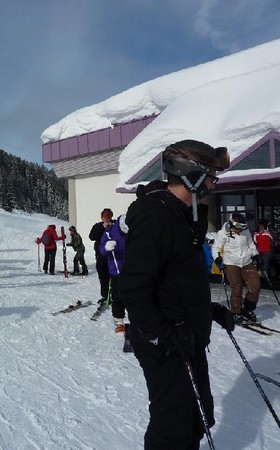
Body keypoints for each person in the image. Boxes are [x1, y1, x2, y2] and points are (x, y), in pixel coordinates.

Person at [118, 139, 234, 449]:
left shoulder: (182, 216)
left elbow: (176, 281)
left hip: (186, 336)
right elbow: (133, 287)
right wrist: (162, 336)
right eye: (210, 177)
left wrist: (208, 310)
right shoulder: (156, 218)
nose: (212, 184)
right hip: (166, 343)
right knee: (172, 426)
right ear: (191, 175)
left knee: (197, 417)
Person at [212, 213, 262, 322]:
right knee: (237, 288)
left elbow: (250, 245)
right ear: (232, 224)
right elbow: (216, 247)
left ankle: (247, 309)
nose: (241, 229)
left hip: (247, 261)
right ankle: (236, 312)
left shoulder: (245, 231)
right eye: (239, 227)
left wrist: (256, 254)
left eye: (243, 227)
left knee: (255, 286)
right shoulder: (223, 233)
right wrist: (217, 258)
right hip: (231, 263)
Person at [99, 214, 128, 334]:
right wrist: (106, 248)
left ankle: (138, 324)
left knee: (135, 297)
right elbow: (101, 249)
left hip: (133, 271)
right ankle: (119, 323)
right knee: (117, 297)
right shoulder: (109, 233)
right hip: (116, 270)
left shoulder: (135, 231)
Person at [89, 209, 115, 301]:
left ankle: (114, 295)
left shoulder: (115, 225)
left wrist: (111, 227)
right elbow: (92, 237)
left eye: (108, 217)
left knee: (113, 276)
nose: (106, 219)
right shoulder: (98, 226)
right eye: (104, 217)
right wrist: (102, 228)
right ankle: (105, 295)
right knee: (103, 276)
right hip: (101, 255)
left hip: (112, 255)